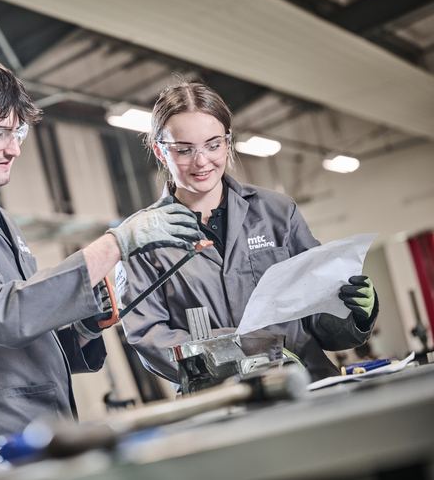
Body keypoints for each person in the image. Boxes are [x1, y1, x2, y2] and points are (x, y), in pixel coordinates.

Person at [0, 54, 204, 467]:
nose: (13, 148)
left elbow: (26, 330)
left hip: (41, 434)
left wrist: (82, 329)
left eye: (17, 132)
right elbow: (1, 314)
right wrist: (117, 242)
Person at [116, 81, 379, 387]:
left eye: (213, 145)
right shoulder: (141, 238)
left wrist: (354, 314)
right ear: (161, 152)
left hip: (306, 384)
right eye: (185, 150)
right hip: (221, 401)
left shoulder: (277, 212)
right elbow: (149, 337)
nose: (201, 161)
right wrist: (247, 355)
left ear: (227, 142)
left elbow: (318, 317)